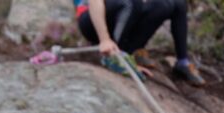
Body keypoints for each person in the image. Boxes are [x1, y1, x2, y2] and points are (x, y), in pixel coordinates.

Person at [74, 0, 205, 85]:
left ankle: (182, 62)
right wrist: (104, 39)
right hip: (92, 18)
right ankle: (115, 57)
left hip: (122, 14)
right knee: (131, 2)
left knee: (174, 3)